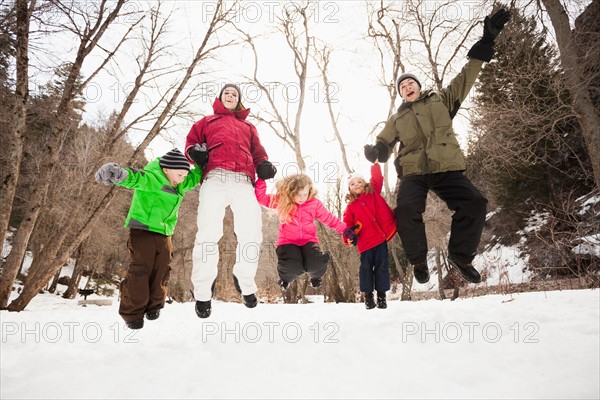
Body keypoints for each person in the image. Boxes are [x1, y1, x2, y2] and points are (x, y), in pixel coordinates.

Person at [364, 9, 511, 285]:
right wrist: (377, 152)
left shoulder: (441, 100)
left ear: (419, 87)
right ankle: (419, 261)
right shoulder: (398, 118)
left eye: (411, 83)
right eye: (402, 86)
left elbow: (466, 76)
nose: (407, 86)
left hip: (445, 166)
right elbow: (383, 142)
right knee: (406, 209)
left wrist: (487, 41)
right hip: (414, 172)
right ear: (401, 94)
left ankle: (461, 256)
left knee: (475, 202)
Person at [185, 83, 277, 318]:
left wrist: (264, 164)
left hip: (243, 181)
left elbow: (259, 153)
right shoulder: (206, 121)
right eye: (226, 92)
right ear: (220, 98)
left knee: (251, 232)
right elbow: (190, 144)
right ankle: (203, 292)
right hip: (214, 177)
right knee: (207, 233)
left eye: (234, 94)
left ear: (239, 101)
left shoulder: (248, 126)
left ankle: (245, 281)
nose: (230, 95)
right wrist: (194, 152)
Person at [95, 148, 203, 329]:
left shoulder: (181, 184)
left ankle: (154, 305)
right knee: (141, 269)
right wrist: (118, 174)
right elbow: (135, 178)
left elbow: (194, 178)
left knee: (162, 268)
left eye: (184, 175)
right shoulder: (152, 177)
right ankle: (132, 313)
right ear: (166, 169)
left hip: (165, 233)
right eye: (179, 175)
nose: (182, 179)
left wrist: (202, 162)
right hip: (143, 231)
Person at [255, 174, 357, 291]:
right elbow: (261, 198)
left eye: (305, 194)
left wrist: (345, 230)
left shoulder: (314, 203)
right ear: (291, 192)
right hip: (287, 242)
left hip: (309, 240)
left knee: (316, 264)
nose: (302, 198)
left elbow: (328, 218)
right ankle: (285, 278)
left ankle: (315, 276)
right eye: (299, 194)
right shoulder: (282, 200)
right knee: (292, 267)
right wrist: (261, 179)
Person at [343, 162, 396, 310]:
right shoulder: (350, 207)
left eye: (360, 181)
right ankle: (368, 297)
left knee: (382, 267)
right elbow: (346, 224)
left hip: (380, 239)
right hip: (365, 243)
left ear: (365, 183)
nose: (357, 185)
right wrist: (349, 235)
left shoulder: (373, 192)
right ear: (350, 189)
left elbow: (377, 177)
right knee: (365, 269)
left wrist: (375, 163)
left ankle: (381, 296)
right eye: (353, 184)